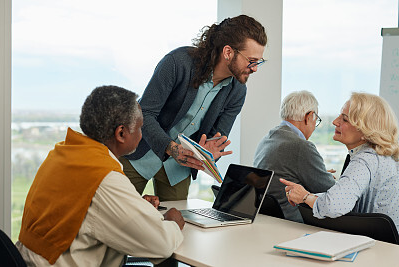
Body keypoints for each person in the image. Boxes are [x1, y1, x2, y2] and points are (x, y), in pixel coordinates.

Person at [16, 86, 184, 266]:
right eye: (140, 127)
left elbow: (85, 209)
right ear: (121, 133)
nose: (142, 135)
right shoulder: (105, 177)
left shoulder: (62, 154)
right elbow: (162, 244)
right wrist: (172, 221)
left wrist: (133, 205)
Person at [120, 15, 268, 201]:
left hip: (178, 168)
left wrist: (209, 155)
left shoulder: (237, 91)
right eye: (251, 61)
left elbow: (217, 139)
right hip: (140, 152)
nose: (255, 68)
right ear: (228, 52)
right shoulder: (177, 63)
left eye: (259, 62)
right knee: (114, 215)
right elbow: (144, 114)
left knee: (175, 222)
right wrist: (172, 148)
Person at [281, 92, 399, 231]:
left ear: (366, 130)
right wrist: (310, 196)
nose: (335, 121)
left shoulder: (365, 160)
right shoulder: (382, 156)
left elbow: (334, 205)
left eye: (345, 119)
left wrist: (305, 197)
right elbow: (344, 198)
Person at [253, 90, 336, 222]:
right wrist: (326, 178)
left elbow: (286, 173)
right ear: (308, 117)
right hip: (294, 222)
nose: (314, 126)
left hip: (268, 218)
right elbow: (332, 192)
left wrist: (319, 174)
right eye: (316, 120)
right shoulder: (301, 146)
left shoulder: (268, 137)